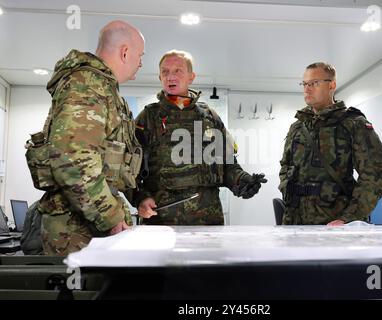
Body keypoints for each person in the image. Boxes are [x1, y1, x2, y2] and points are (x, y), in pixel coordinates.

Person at [37, 20, 145, 255]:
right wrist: (112, 217)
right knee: (85, 292)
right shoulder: (88, 83)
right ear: (125, 52)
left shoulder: (104, 89)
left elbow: (113, 166)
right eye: (140, 56)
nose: (141, 63)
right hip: (77, 231)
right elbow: (73, 158)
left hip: (90, 223)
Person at [130, 50, 266, 225]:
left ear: (191, 77)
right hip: (162, 221)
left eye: (177, 71)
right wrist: (140, 199)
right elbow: (127, 171)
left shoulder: (209, 116)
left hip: (209, 220)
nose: (170, 76)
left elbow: (226, 165)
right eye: (165, 72)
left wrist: (242, 181)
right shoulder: (147, 118)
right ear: (160, 77)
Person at [279, 62, 382, 226]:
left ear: (332, 85)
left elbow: (373, 178)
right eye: (305, 84)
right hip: (294, 224)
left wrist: (348, 219)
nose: (307, 89)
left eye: (314, 83)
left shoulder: (353, 124)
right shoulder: (297, 127)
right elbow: (285, 167)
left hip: (334, 227)